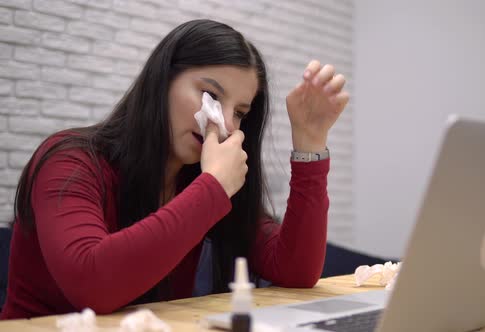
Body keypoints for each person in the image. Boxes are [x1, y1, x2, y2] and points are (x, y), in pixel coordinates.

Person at [0, 19, 349, 319]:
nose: (225, 124)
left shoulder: (197, 177)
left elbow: (296, 270)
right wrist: (213, 187)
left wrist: (310, 142)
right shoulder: (70, 160)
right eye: (210, 96)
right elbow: (93, 285)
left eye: (240, 112)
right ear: (162, 82)